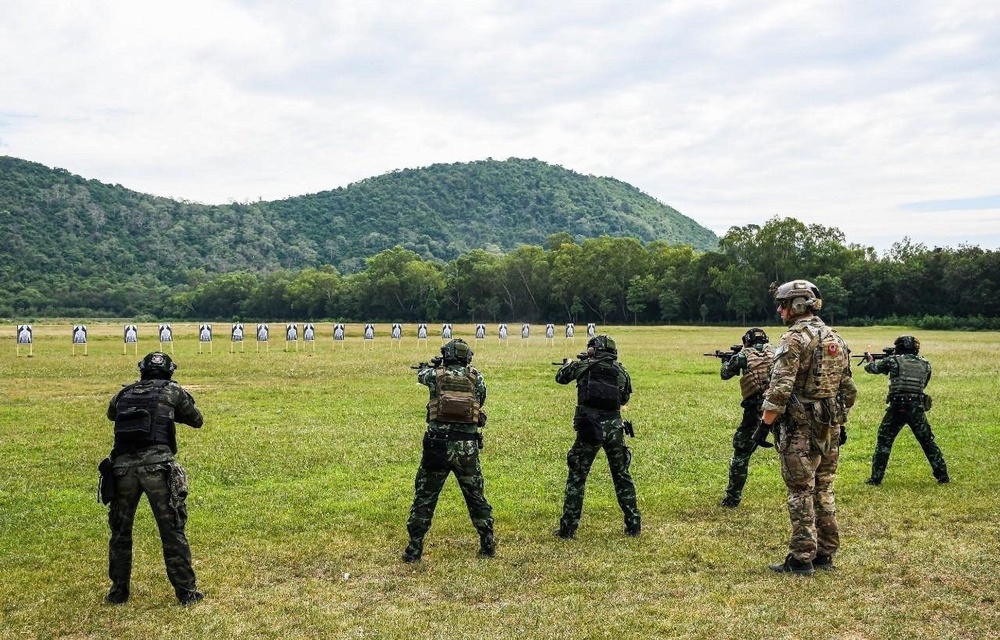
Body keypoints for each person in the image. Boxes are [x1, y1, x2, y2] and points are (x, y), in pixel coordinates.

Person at [753, 280, 856, 575]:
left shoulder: (793, 339)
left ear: (797, 305)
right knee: (824, 487)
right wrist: (841, 421)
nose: (779, 309)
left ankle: (801, 558)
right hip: (830, 425)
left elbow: (781, 387)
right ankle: (825, 553)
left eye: (783, 304)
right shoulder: (836, 337)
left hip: (799, 426)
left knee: (800, 489)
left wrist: (764, 424)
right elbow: (847, 388)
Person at [101, 352, 204, 605]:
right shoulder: (173, 391)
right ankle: (186, 594)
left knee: (120, 533)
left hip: (122, 469)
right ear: (169, 371)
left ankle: (118, 593)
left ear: (142, 371)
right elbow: (196, 419)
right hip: (158, 468)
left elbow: (111, 414)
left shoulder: (124, 394)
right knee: (172, 531)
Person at [403, 339, 494, 562]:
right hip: (467, 446)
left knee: (425, 497)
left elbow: (421, 375)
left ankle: (414, 550)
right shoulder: (476, 377)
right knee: (475, 496)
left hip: (438, 446)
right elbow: (480, 400)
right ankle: (487, 543)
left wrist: (434, 366)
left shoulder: (435, 376)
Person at [554, 334, 640, 538]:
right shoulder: (621, 371)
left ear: (595, 348)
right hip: (615, 427)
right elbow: (625, 396)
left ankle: (568, 528)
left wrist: (570, 364)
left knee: (577, 477)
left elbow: (561, 378)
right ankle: (634, 524)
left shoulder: (583, 366)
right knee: (622, 476)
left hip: (590, 427)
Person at [863, 335, 949, 485]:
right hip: (916, 407)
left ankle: (876, 479)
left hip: (897, 407)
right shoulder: (925, 363)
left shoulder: (892, 360)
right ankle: (943, 476)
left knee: (884, 441)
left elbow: (873, 369)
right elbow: (923, 384)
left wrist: (870, 360)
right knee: (928, 442)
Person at [718, 327, 775, 508]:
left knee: (741, 453)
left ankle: (733, 497)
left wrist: (726, 361)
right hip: (779, 404)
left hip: (756, 407)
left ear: (746, 341)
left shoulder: (744, 355)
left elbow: (725, 374)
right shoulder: (776, 351)